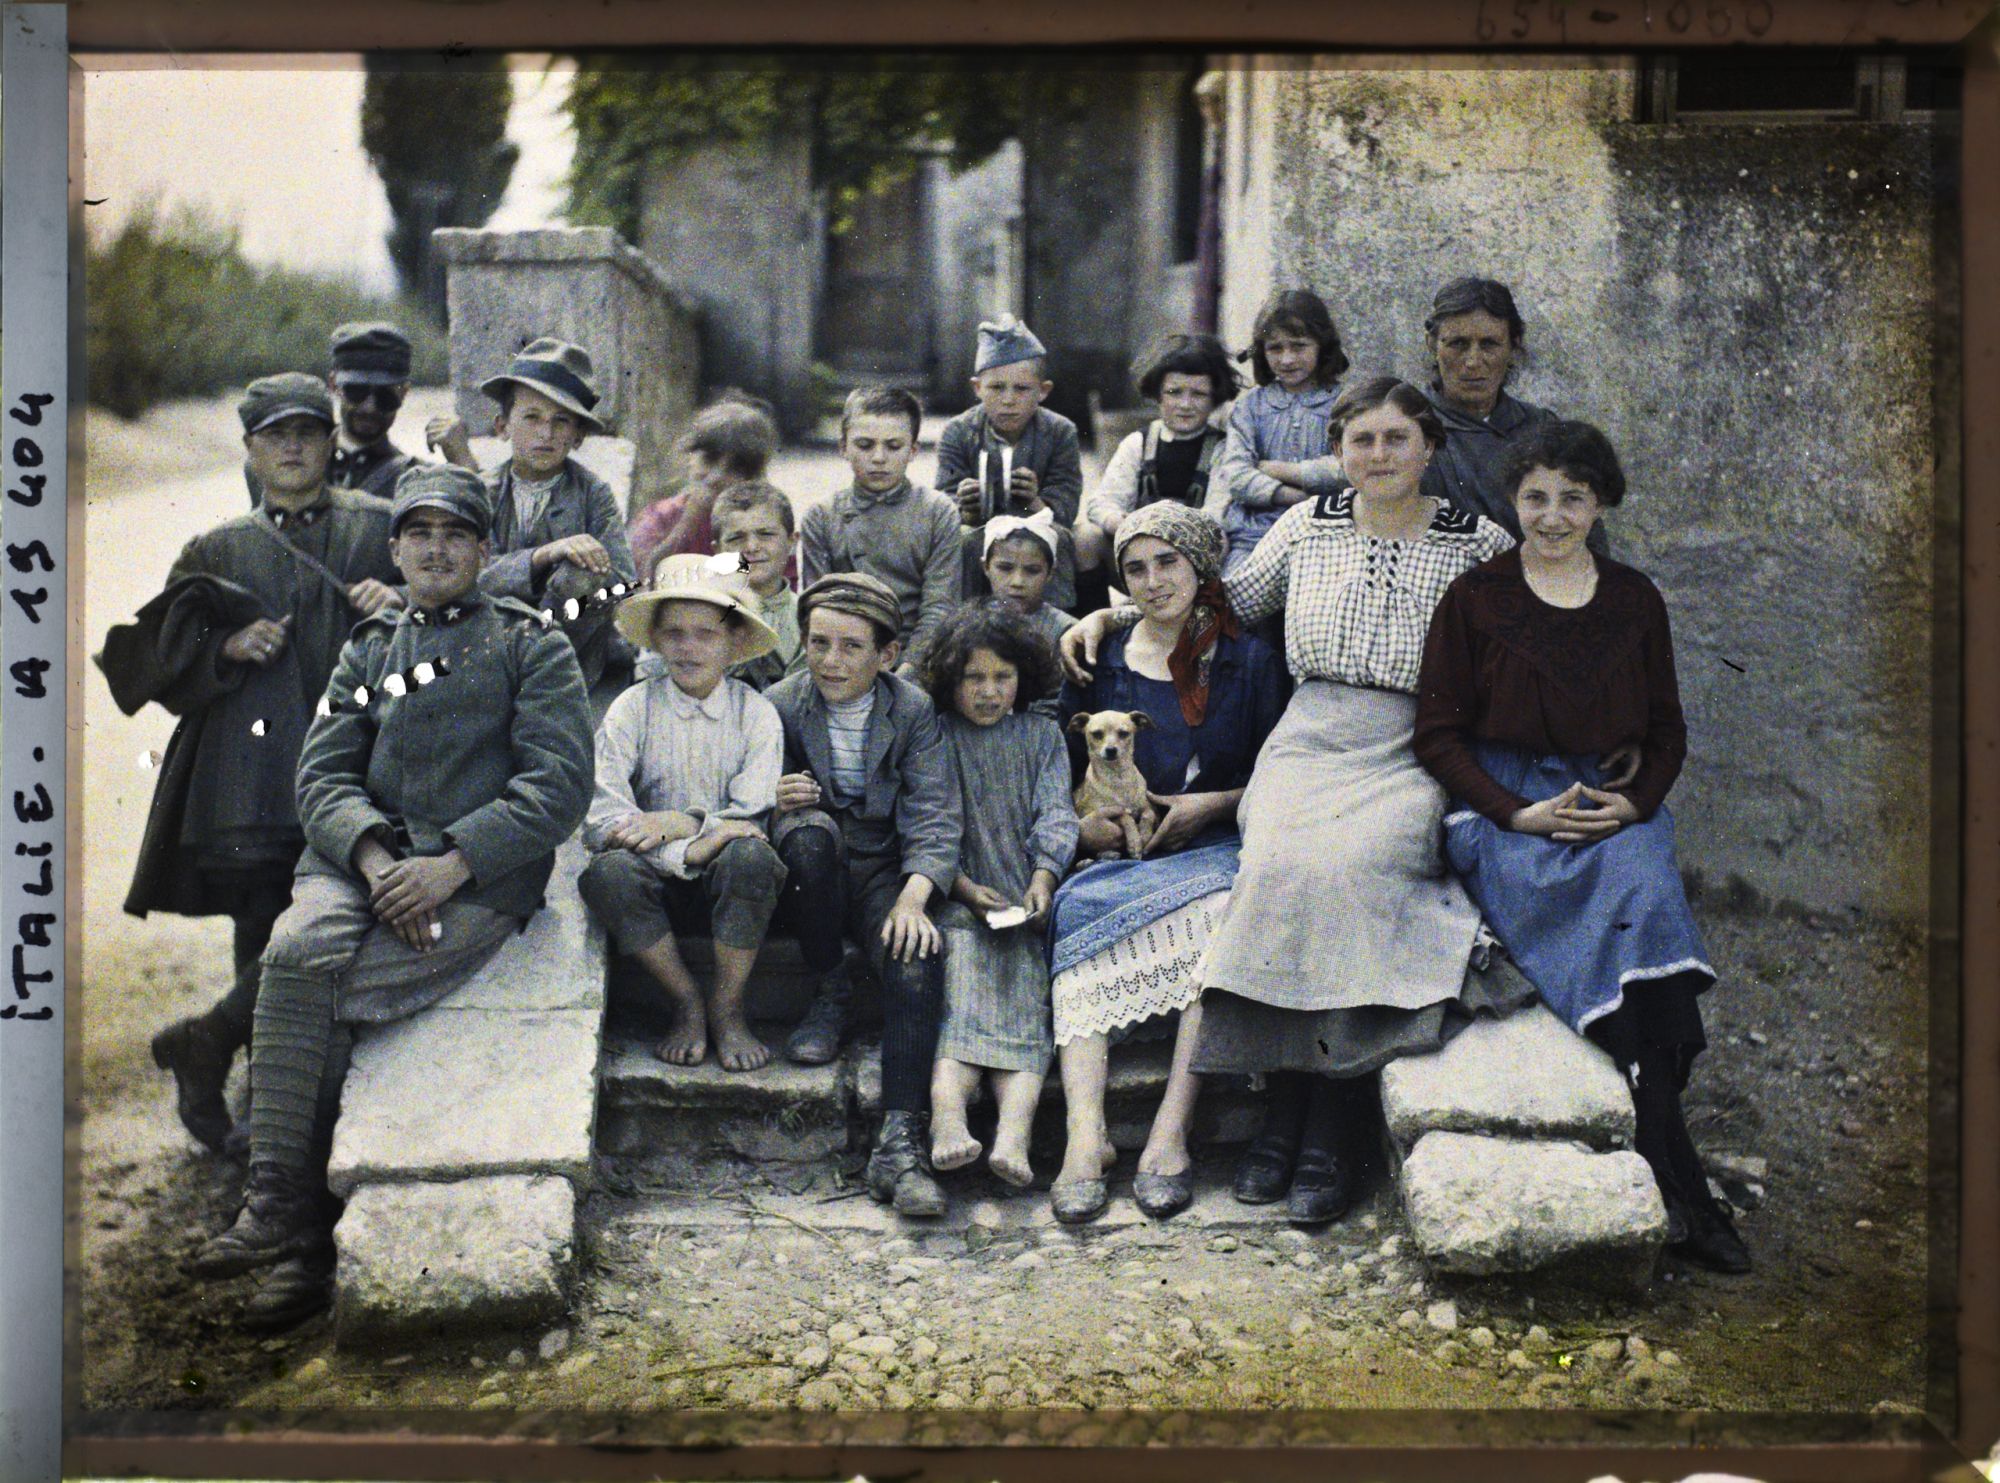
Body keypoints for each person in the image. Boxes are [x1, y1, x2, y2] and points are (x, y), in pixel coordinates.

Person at [188, 465, 593, 1330]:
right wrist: (374, 862)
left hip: (474, 883)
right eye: (419, 532)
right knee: (296, 954)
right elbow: (323, 773)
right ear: (397, 548)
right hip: (361, 866)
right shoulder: (369, 648)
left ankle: (291, 1236)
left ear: (486, 550)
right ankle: (275, 1209)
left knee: (314, 1002)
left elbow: (556, 786)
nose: (437, 547)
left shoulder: (531, 644)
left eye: (456, 533)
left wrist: (450, 864)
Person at [1412, 420, 1749, 1273]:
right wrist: (1516, 815)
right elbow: (1438, 736)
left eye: (1573, 497)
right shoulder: (1477, 597)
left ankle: (1673, 1169)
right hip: (1506, 815)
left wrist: (1634, 803)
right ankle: (1686, 1190)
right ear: (1513, 502)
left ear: (1601, 503)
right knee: (1632, 940)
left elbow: (1667, 730)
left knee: (1646, 899)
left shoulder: (1635, 599)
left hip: (1606, 805)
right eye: (1535, 497)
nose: (1553, 516)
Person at [102, 374, 403, 1156]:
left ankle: (211, 1039)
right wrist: (224, 647)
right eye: (275, 435)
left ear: (334, 442)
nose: (294, 446)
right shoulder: (218, 549)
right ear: (250, 451)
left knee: (348, 920)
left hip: (361, 771)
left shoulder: (384, 527)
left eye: (308, 430)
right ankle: (273, 1123)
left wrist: (399, 599)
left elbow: (450, 592)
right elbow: (145, 658)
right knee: (259, 926)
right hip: (252, 778)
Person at [1045, 504, 1288, 1224]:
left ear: (1200, 566)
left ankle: (1169, 1132)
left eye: (1168, 562)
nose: (1154, 582)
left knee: (1217, 917)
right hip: (1122, 851)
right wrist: (1083, 830)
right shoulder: (1102, 658)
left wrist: (1210, 806)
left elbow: (1283, 768)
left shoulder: (1249, 658)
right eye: (1135, 568)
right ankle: (1085, 1136)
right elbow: (1054, 770)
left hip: (1212, 844)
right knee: (1077, 911)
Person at [765, 574, 963, 1217]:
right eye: (817, 643)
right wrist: (774, 802)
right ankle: (831, 986)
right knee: (811, 841)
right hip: (811, 862)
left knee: (916, 957)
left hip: (883, 868)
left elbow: (935, 813)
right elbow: (742, 791)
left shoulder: (911, 710)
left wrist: (914, 899)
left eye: (851, 647)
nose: (829, 661)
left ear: (888, 655)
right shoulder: (781, 703)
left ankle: (900, 1144)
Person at [580, 555, 789, 1074]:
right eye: (673, 633)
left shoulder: (756, 713)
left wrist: (685, 822)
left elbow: (752, 817)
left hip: (732, 889)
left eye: (705, 634)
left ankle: (727, 1003)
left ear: (735, 643)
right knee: (606, 872)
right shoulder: (633, 707)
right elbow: (602, 815)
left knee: (750, 859)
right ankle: (685, 1001)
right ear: (654, 640)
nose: (688, 647)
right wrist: (686, 849)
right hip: (652, 881)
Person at [920, 604, 1078, 1188]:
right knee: (960, 1006)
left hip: (1025, 904)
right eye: (973, 678)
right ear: (950, 680)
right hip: (959, 902)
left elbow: (1057, 816)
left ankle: (1014, 1135)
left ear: (1023, 679)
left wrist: (1043, 878)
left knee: (1027, 1015)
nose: (988, 692)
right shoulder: (936, 735)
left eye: (1002, 678)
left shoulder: (1041, 737)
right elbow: (928, 822)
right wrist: (960, 887)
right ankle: (948, 1120)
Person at [475, 336, 640, 688]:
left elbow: (623, 584)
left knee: (583, 572)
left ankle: (542, 669)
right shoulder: (481, 491)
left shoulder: (593, 494)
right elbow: (472, 576)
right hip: (487, 655)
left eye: (561, 421)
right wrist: (544, 555)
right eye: (532, 417)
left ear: (578, 436)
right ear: (502, 426)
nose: (546, 433)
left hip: (571, 663)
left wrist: (582, 569)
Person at [1416, 276, 1606, 557]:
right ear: (1432, 343)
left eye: (1489, 344)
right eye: (1457, 343)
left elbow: (1586, 536)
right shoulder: (1408, 429)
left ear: (1513, 346)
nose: (1472, 361)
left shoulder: (1542, 430)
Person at [798, 386, 962, 674]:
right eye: (864, 445)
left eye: (893, 446)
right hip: (844, 659)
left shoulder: (938, 512)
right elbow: (819, 607)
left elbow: (939, 608)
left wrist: (909, 669)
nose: (878, 458)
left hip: (918, 659)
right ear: (843, 447)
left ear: (913, 450)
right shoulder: (822, 517)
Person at [933, 315, 1086, 611]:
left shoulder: (1059, 432)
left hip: (1035, 526)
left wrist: (1035, 501)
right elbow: (943, 502)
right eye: (996, 388)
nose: (1008, 400)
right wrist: (965, 508)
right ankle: (965, 621)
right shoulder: (958, 430)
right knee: (963, 541)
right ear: (977, 388)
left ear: (1043, 391)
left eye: (1021, 389)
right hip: (979, 530)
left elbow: (1066, 504)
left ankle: (1056, 623)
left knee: (1061, 538)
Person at [1078, 333, 1238, 589]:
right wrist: (1119, 521)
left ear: (1214, 397)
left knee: (1220, 541)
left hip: (1188, 559)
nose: (1185, 404)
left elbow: (1215, 517)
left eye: (1198, 394)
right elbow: (1100, 503)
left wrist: (1167, 535)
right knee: (1086, 537)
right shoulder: (1138, 443)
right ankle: (1097, 619)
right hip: (1137, 553)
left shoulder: (1222, 448)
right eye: (1175, 392)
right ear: (1158, 394)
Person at [1207, 289, 1349, 575]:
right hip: (1253, 537)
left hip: (1324, 534)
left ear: (1322, 345)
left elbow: (1348, 468)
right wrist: (1295, 497)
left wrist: (1277, 469)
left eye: (1298, 346)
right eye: (1275, 348)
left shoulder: (1345, 403)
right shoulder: (1250, 407)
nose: (1286, 359)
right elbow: (1236, 474)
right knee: (1234, 598)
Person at [627, 394, 782, 577]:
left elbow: (779, 588)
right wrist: (687, 525)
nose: (716, 477)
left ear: (754, 476)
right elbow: (640, 580)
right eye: (709, 459)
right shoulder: (660, 517)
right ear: (690, 457)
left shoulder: (770, 525)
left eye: (735, 468)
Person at [712, 482, 806, 691]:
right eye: (736, 538)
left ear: (792, 541)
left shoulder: (809, 616)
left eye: (766, 534)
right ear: (718, 550)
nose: (751, 547)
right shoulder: (705, 615)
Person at [979, 510, 1077, 693]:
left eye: (1032, 571)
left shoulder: (1065, 631)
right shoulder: (970, 623)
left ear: (1050, 573)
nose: (1017, 582)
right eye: (1005, 568)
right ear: (986, 567)